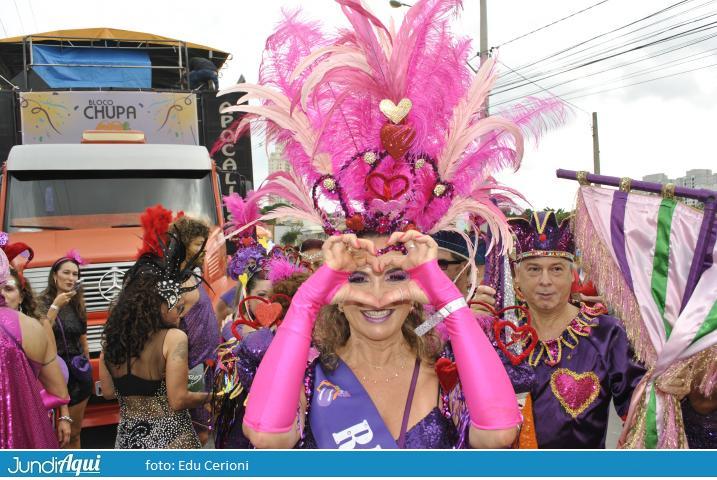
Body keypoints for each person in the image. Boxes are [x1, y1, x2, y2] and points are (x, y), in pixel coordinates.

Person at [217, 0, 568, 449]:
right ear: (333, 292)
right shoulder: (301, 371)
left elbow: (499, 432)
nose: (379, 296)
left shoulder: (453, 369)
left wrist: (441, 291)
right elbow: (267, 437)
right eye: (357, 277)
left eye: (399, 275)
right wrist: (307, 300)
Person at [508, 211, 646, 448]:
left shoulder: (605, 334)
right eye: (533, 269)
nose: (545, 280)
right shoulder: (502, 334)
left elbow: (641, 414)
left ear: (572, 276)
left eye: (556, 269)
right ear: (516, 277)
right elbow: (425, 340)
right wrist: (458, 315)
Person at [99, 235, 211, 449]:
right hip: (171, 442)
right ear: (158, 305)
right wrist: (211, 397)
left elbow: (108, 392)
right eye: (178, 308)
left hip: (128, 442)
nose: (180, 316)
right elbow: (178, 399)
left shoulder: (112, 339)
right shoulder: (173, 338)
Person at [0, 248, 71, 448]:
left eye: (10, 289)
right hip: (26, 433)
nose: (5, 294)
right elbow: (58, 393)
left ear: (22, 296)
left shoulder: (40, 325)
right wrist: (26, 403)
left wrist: (63, 416)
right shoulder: (33, 328)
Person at [41, 250, 91, 449]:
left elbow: (83, 336)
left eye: (75, 274)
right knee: (55, 437)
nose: (71, 278)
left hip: (78, 376)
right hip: (53, 376)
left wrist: (87, 363)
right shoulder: (41, 302)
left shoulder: (77, 300)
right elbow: (39, 335)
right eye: (66, 273)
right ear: (54, 275)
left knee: (74, 434)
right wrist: (55, 305)